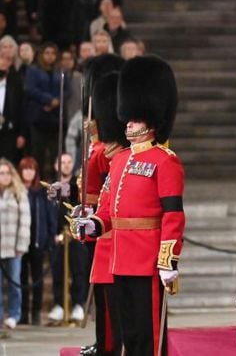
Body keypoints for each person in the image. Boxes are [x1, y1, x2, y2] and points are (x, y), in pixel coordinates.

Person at [78, 56, 184, 356]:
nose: (128, 123)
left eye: (134, 119)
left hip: (148, 258)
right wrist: (94, 224)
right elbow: (108, 206)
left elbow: (173, 214)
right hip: (120, 258)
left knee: (149, 335)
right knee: (129, 333)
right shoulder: (121, 160)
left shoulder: (166, 162)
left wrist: (168, 258)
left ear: (150, 122)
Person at [76, 54, 126, 356]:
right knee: (102, 291)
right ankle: (103, 342)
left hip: (108, 225)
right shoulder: (100, 147)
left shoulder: (107, 149)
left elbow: (107, 180)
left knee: (110, 295)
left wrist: (96, 139)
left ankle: (108, 344)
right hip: (95, 219)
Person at [46, 152, 86, 324]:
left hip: (75, 234)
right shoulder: (52, 187)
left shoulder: (78, 186)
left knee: (79, 270)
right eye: (62, 162)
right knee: (58, 271)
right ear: (56, 165)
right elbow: (49, 212)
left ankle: (78, 304)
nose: (66, 165)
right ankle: (59, 304)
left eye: (69, 162)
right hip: (57, 235)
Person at [19, 157, 54, 326]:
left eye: (31, 169)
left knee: (38, 279)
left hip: (38, 241)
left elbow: (49, 217)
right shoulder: (16, 191)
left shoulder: (41, 192)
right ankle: (23, 313)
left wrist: (50, 236)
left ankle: (36, 313)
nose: (28, 172)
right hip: (20, 242)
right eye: (25, 169)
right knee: (21, 279)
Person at [25, 43, 68, 179]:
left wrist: (57, 101)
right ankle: (38, 183)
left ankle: (57, 184)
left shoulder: (61, 71)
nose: (50, 56)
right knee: (38, 154)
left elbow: (67, 90)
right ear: (41, 55)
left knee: (57, 154)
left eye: (53, 53)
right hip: (39, 118)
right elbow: (31, 89)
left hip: (56, 120)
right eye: (47, 53)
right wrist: (49, 100)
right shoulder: (33, 70)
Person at [0, 158, 30, 329]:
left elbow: (25, 221)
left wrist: (21, 245)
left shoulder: (19, 194)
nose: (4, 176)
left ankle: (14, 314)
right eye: (1, 173)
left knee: (14, 283)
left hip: (13, 246)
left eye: (7, 173)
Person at [0, 54, 26, 164]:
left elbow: (22, 110)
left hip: (10, 133)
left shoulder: (16, 84)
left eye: (5, 63)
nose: (2, 66)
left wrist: (21, 134)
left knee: (9, 164)